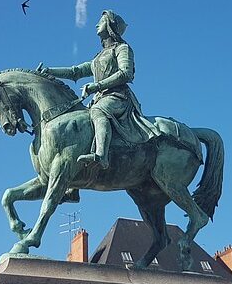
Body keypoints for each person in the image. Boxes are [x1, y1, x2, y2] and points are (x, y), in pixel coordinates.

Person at [41, 10, 156, 169]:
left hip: (118, 98)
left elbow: (125, 73)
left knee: (98, 112)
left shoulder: (122, 49)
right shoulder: (99, 56)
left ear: (110, 25)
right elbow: (76, 71)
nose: (96, 24)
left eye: (101, 21)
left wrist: (97, 86)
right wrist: (50, 71)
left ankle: (101, 155)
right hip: (100, 98)